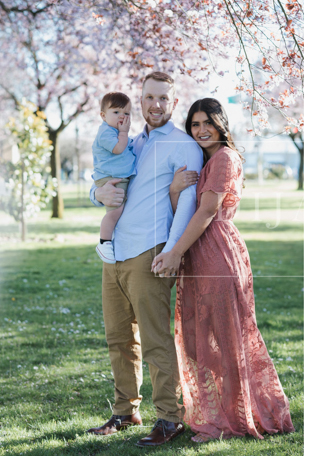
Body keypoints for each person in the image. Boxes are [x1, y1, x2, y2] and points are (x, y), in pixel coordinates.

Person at [150, 98, 295, 443]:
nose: (200, 130)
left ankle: (229, 420)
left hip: (215, 251)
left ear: (220, 124)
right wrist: (173, 190)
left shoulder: (225, 158)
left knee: (224, 338)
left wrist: (173, 254)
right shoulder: (204, 160)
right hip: (196, 253)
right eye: (195, 124)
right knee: (198, 343)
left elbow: (207, 212)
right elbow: (185, 210)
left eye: (207, 123)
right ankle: (220, 412)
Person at [86, 71, 203, 447]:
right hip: (116, 251)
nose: (155, 105)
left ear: (173, 101)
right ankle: (125, 410)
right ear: (140, 100)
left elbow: (186, 202)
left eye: (163, 98)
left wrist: (172, 251)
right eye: (149, 97)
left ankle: (169, 418)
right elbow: (106, 180)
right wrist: (96, 194)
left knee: (154, 339)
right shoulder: (132, 142)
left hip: (150, 252)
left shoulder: (184, 146)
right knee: (118, 337)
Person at [92, 92, 136, 264]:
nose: (122, 117)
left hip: (117, 177)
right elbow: (118, 148)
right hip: (110, 179)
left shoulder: (114, 131)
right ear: (103, 116)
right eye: (116, 112)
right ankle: (104, 243)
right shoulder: (105, 133)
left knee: (118, 210)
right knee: (114, 211)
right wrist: (124, 133)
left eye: (126, 113)